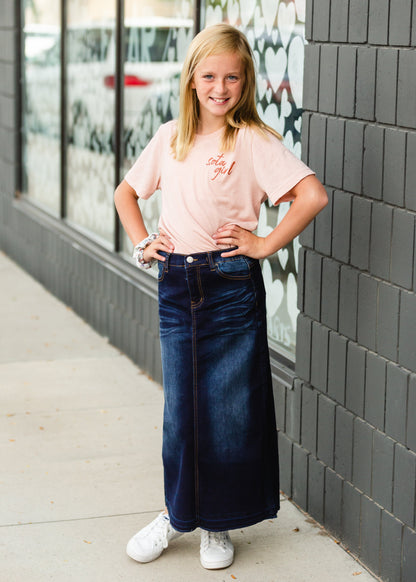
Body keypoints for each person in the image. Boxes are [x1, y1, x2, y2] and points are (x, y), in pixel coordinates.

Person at [114, 23, 328, 570]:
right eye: (209, 75)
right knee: (181, 412)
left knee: (229, 412)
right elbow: (126, 192)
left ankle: (218, 523)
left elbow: (311, 195)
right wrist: (143, 241)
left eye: (232, 76)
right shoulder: (170, 138)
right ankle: (177, 514)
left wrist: (262, 244)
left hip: (231, 286)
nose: (220, 86)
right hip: (177, 285)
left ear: (245, 80)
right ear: (191, 79)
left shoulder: (253, 140)